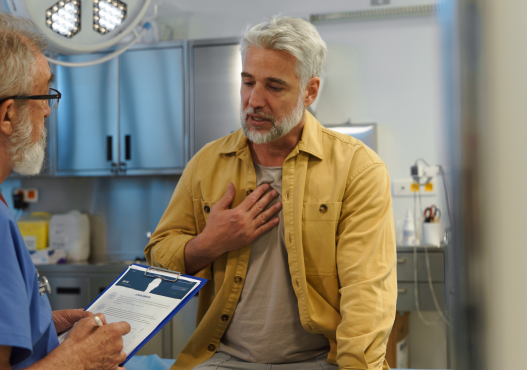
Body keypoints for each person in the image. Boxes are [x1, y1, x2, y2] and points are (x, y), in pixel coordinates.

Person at [145, 16, 397, 370]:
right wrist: (210, 242)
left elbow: (366, 292)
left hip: (319, 360)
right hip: (225, 358)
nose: (254, 100)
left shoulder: (358, 169)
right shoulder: (207, 163)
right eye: (247, 82)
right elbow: (157, 259)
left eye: (274, 87)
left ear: (310, 91)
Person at [0, 12, 130, 369]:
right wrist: (78, 358)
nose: (48, 110)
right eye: (43, 94)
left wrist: (38, 327)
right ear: (8, 115)